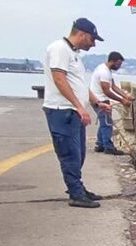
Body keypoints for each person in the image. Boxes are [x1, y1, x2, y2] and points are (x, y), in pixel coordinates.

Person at [43, 18, 105, 209]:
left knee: (79, 154)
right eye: (92, 39)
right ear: (82, 34)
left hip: (73, 112)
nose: (93, 44)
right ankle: (76, 194)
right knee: (70, 154)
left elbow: (79, 84)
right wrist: (79, 106)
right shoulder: (59, 49)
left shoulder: (74, 54)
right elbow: (59, 80)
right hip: (62, 111)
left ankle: (77, 188)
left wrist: (96, 102)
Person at [91, 51, 133, 155]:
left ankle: (100, 144)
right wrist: (122, 100)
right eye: (118, 64)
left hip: (101, 98)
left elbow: (113, 86)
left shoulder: (107, 70)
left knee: (104, 122)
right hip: (99, 99)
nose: (119, 66)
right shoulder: (104, 72)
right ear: (112, 61)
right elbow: (107, 91)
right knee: (107, 124)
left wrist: (125, 96)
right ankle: (108, 147)